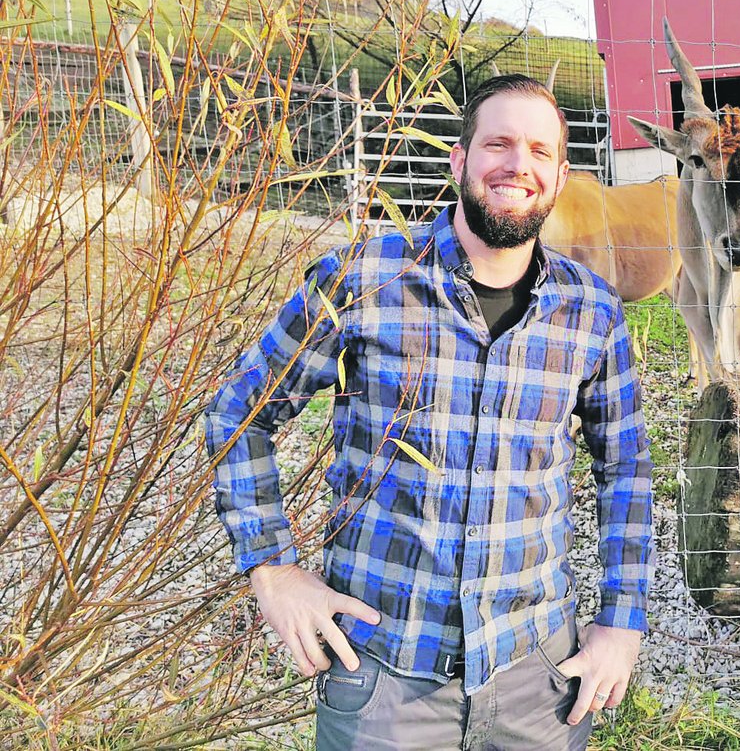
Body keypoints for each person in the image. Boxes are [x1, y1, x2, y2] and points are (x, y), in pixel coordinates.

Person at [206, 73, 653, 750]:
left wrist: (622, 622)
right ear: (459, 161)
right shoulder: (363, 279)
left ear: (561, 176)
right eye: (498, 144)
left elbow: (626, 471)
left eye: (539, 151)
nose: (517, 165)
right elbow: (239, 413)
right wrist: (273, 569)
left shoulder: (591, 310)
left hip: (539, 682)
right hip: (384, 680)